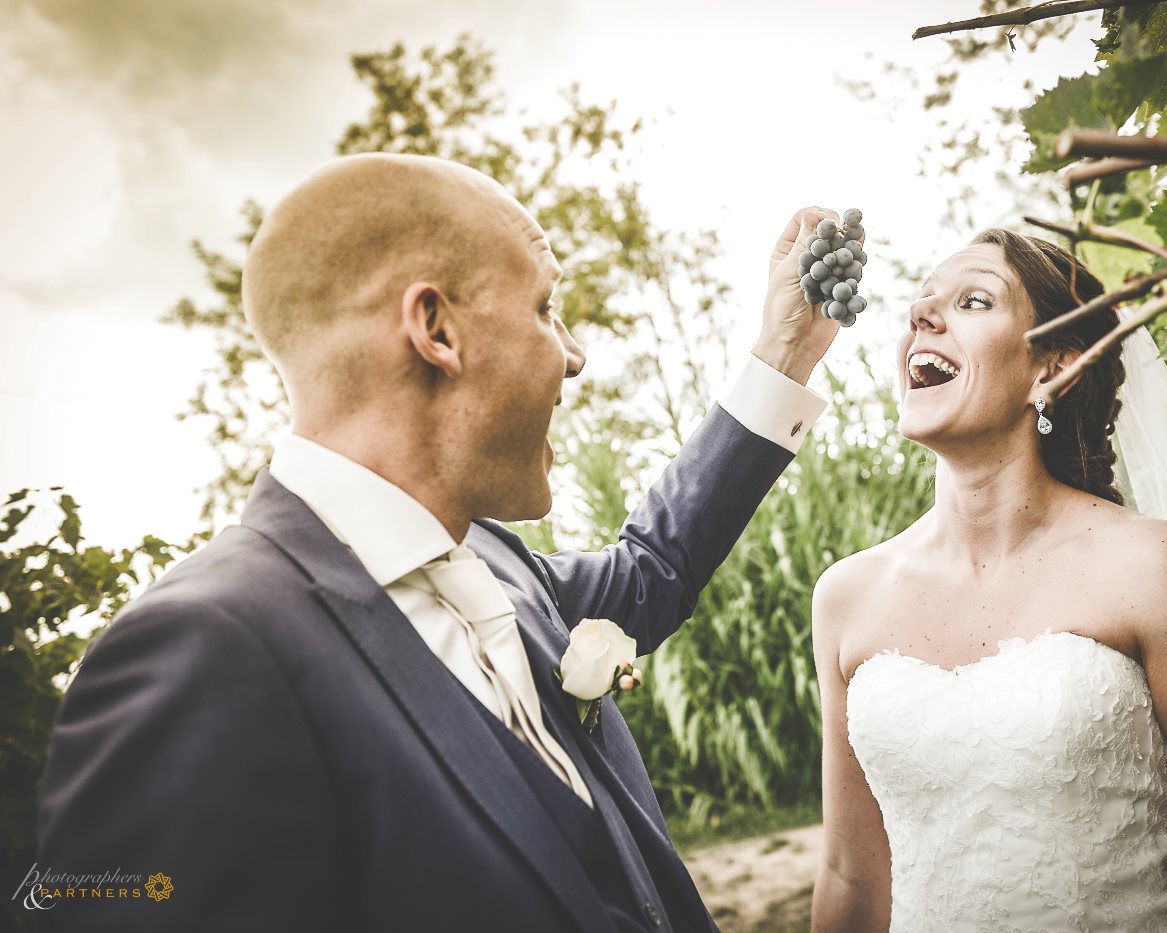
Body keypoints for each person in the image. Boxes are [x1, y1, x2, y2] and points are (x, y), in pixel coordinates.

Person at [37, 153, 839, 931]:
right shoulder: (206, 651)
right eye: (545, 308)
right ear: (436, 329)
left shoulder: (496, 562)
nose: (575, 356)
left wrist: (786, 352)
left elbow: (651, 568)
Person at [810, 229, 1167, 932]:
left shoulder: (1157, 566)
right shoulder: (846, 597)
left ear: (1053, 367)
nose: (922, 316)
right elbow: (850, 879)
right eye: (921, 304)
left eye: (974, 300)